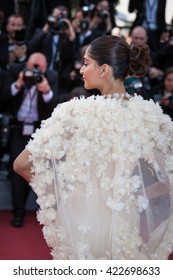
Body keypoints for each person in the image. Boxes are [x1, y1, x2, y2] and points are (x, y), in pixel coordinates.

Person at [13, 35, 173, 260]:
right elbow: (168, 179)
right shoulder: (150, 115)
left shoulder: (73, 113)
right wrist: (135, 196)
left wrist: (60, 196)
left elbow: (21, 164)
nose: (80, 70)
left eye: (86, 63)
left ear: (104, 69)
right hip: (125, 221)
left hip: (82, 220)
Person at [1, 52, 59, 227]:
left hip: (38, 130)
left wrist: (46, 91)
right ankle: (18, 211)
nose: (35, 71)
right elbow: (3, 99)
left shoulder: (51, 76)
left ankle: (31, 206)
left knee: (34, 167)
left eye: (39, 68)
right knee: (16, 166)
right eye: (32, 67)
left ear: (46, 67)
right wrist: (18, 84)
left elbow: (56, 106)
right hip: (18, 128)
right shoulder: (15, 71)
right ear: (26, 64)